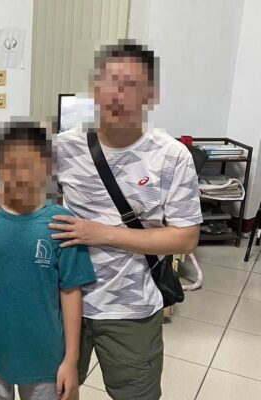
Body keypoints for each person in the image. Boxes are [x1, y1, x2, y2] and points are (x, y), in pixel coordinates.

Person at [50, 41, 202, 399]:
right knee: (57, 391)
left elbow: (186, 237)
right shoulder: (62, 147)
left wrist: (102, 234)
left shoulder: (171, 156)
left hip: (132, 307)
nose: (117, 95)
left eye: (131, 85)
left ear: (150, 95)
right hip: (64, 300)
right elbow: (14, 184)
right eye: (109, 82)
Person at [0, 122, 97, 400]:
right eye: (10, 166)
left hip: (45, 359)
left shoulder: (62, 225)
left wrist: (71, 359)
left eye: (29, 165)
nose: (20, 176)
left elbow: (71, 292)